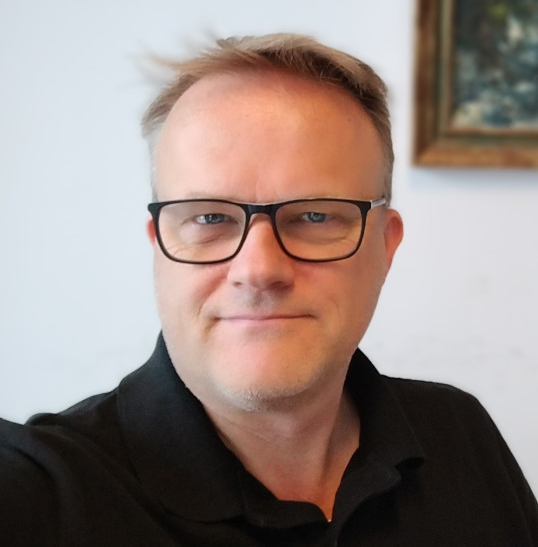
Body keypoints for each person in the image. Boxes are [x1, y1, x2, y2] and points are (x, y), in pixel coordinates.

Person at [1, 33, 537, 546]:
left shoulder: (458, 433)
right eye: (210, 217)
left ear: (385, 245)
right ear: (160, 245)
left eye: (315, 215)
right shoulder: (43, 494)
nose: (258, 269)